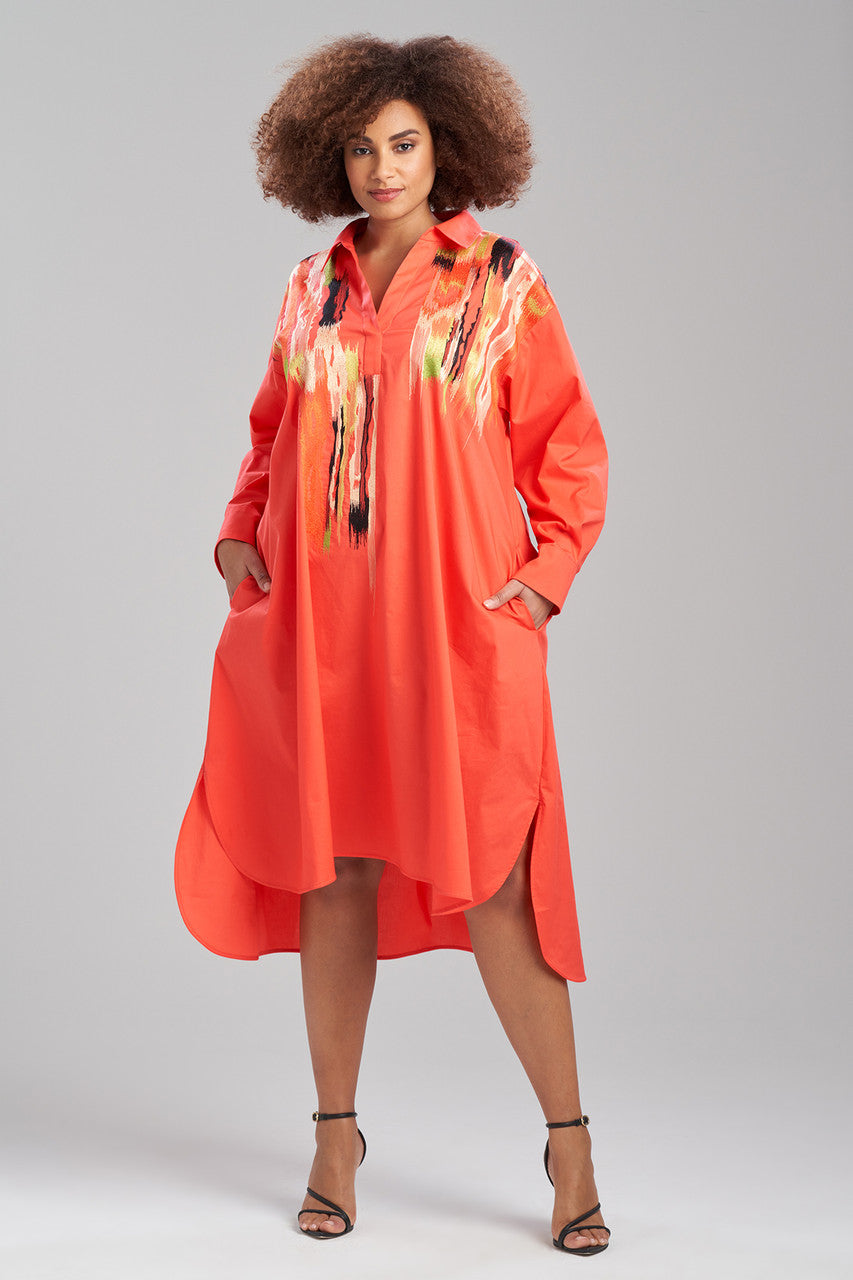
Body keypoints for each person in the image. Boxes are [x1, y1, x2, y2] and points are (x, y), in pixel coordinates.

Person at [173, 33, 610, 1255]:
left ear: (445, 148)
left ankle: (569, 1142)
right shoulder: (308, 290)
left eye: (403, 143)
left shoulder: (502, 284)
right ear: (331, 156)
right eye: (361, 147)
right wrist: (236, 539)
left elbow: (570, 449)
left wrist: (541, 585)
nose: (381, 167)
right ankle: (334, 1137)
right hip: (323, 637)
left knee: (499, 884)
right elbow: (270, 437)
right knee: (335, 873)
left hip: (460, 640)